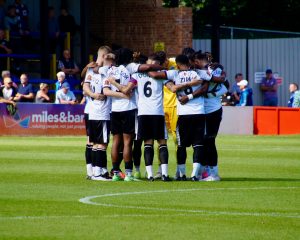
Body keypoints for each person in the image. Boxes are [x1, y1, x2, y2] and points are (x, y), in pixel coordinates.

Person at [149, 54, 211, 181]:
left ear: (177, 65)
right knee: (198, 145)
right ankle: (194, 175)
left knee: (181, 145)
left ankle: (181, 174)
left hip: (183, 114)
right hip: (199, 112)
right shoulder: (199, 73)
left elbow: (156, 75)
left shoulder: (174, 74)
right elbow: (212, 79)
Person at [82, 46, 113, 180]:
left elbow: (84, 86)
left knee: (93, 141)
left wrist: (91, 94)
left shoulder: (91, 68)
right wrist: (94, 95)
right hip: (96, 110)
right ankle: (94, 171)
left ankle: (96, 171)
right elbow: (85, 87)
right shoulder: (99, 69)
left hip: (91, 109)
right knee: (95, 142)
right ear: (105, 56)